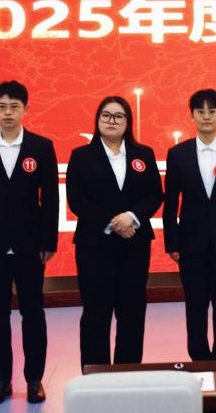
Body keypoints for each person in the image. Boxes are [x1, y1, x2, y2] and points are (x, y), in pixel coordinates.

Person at [0, 80, 58, 404]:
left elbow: (51, 199)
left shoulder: (41, 147)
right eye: (2, 106)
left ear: (25, 109)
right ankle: (1, 380)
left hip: (31, 245)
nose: (7, 113)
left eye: (14, 107)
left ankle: (34, 379)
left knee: (33, 312)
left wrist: (48, 241)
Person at [66, 96, 163, 366]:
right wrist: (111, 222)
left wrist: (131, 217)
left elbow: (155, 194)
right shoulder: (81, 156)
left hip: (135, 244)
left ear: (128, 122)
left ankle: (128, 373)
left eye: (119, 116)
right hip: (94, 245)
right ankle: (96, 375)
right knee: (96, 311)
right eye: (106, 115)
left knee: (132, 311)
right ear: (98, 120)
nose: (112, 121)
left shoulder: (143, 154)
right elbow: (76, 199)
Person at [162, 89, 216, 361]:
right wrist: (172, 242)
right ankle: (199, 360)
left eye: (212, 111)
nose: (206, 116)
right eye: (200, 111)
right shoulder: (178, 153)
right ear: (192, 116)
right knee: (195, 306)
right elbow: (170, 203)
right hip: (191, 244)